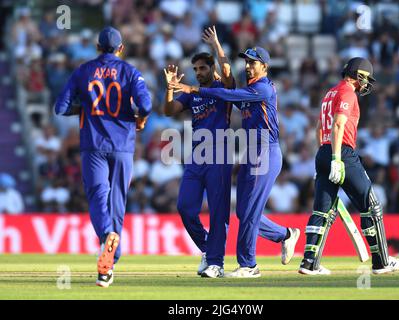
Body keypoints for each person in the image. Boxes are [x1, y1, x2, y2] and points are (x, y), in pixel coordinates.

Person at [170, 46, 300, 278]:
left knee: (248, 212)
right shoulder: (251, 90)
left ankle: (249, 265)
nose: (248, 66)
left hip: (265, 153)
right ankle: (286, 235)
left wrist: (195, 88)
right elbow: (230, 91)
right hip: (251, 153)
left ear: (265, 66)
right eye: (247, 62)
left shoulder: (263, 89)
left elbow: (228, 93)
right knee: (242, 212)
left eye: (253, 62)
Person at [55, 26, 152, 287]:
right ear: (121, 48)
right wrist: (139, 118)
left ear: (97, 47)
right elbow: (146, 105)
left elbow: (60, 108)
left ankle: (107, 240)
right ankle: (109, 262)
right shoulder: (130, 72)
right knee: (117, 201)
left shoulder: (82, 71)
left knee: (98, 197)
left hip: (93, 145)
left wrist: (85, 107)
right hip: (122, 146)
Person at [298, 57, 399, 275]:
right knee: (372, 206)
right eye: (366, 78)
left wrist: (324, 156)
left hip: (323, 151)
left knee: (322, 210)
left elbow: (320, 126)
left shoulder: (329, 92)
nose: (367, 84)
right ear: (359, 75)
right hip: (342, 153)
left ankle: (309, 263)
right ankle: (382, 262)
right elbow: (338, 124)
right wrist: (336, 158)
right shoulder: (348, 92)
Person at [163, 26, 234, 278]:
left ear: (211, 68)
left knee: (218, 212)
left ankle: (217, 263)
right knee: (185, 207)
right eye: (195, 70)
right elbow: (169, 111)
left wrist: (216, 44)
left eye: (202, 68)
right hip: (197, 156)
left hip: (220, 154)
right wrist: (171, 87)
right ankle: (208, 249)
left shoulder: (223, 89)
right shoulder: (193, 94)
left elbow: (227, 73)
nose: (198, 73)